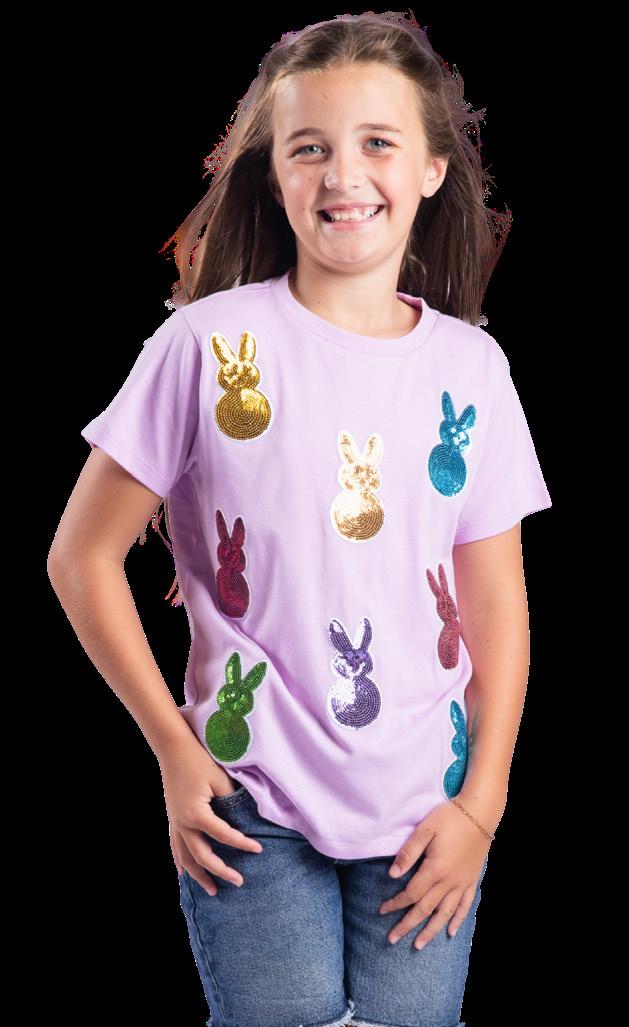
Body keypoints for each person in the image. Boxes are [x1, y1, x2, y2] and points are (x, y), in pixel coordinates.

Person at [47, 11, 552, 1027]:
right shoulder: (203, 346)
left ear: (431, 170)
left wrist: (482, 806)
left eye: (377, 143)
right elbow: (82, 554)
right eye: (309, 148)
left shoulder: (472, 369)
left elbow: (494, 600)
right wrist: (174, 750)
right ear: (274, 177)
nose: (342, 175)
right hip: (247, 800)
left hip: (428, 802)